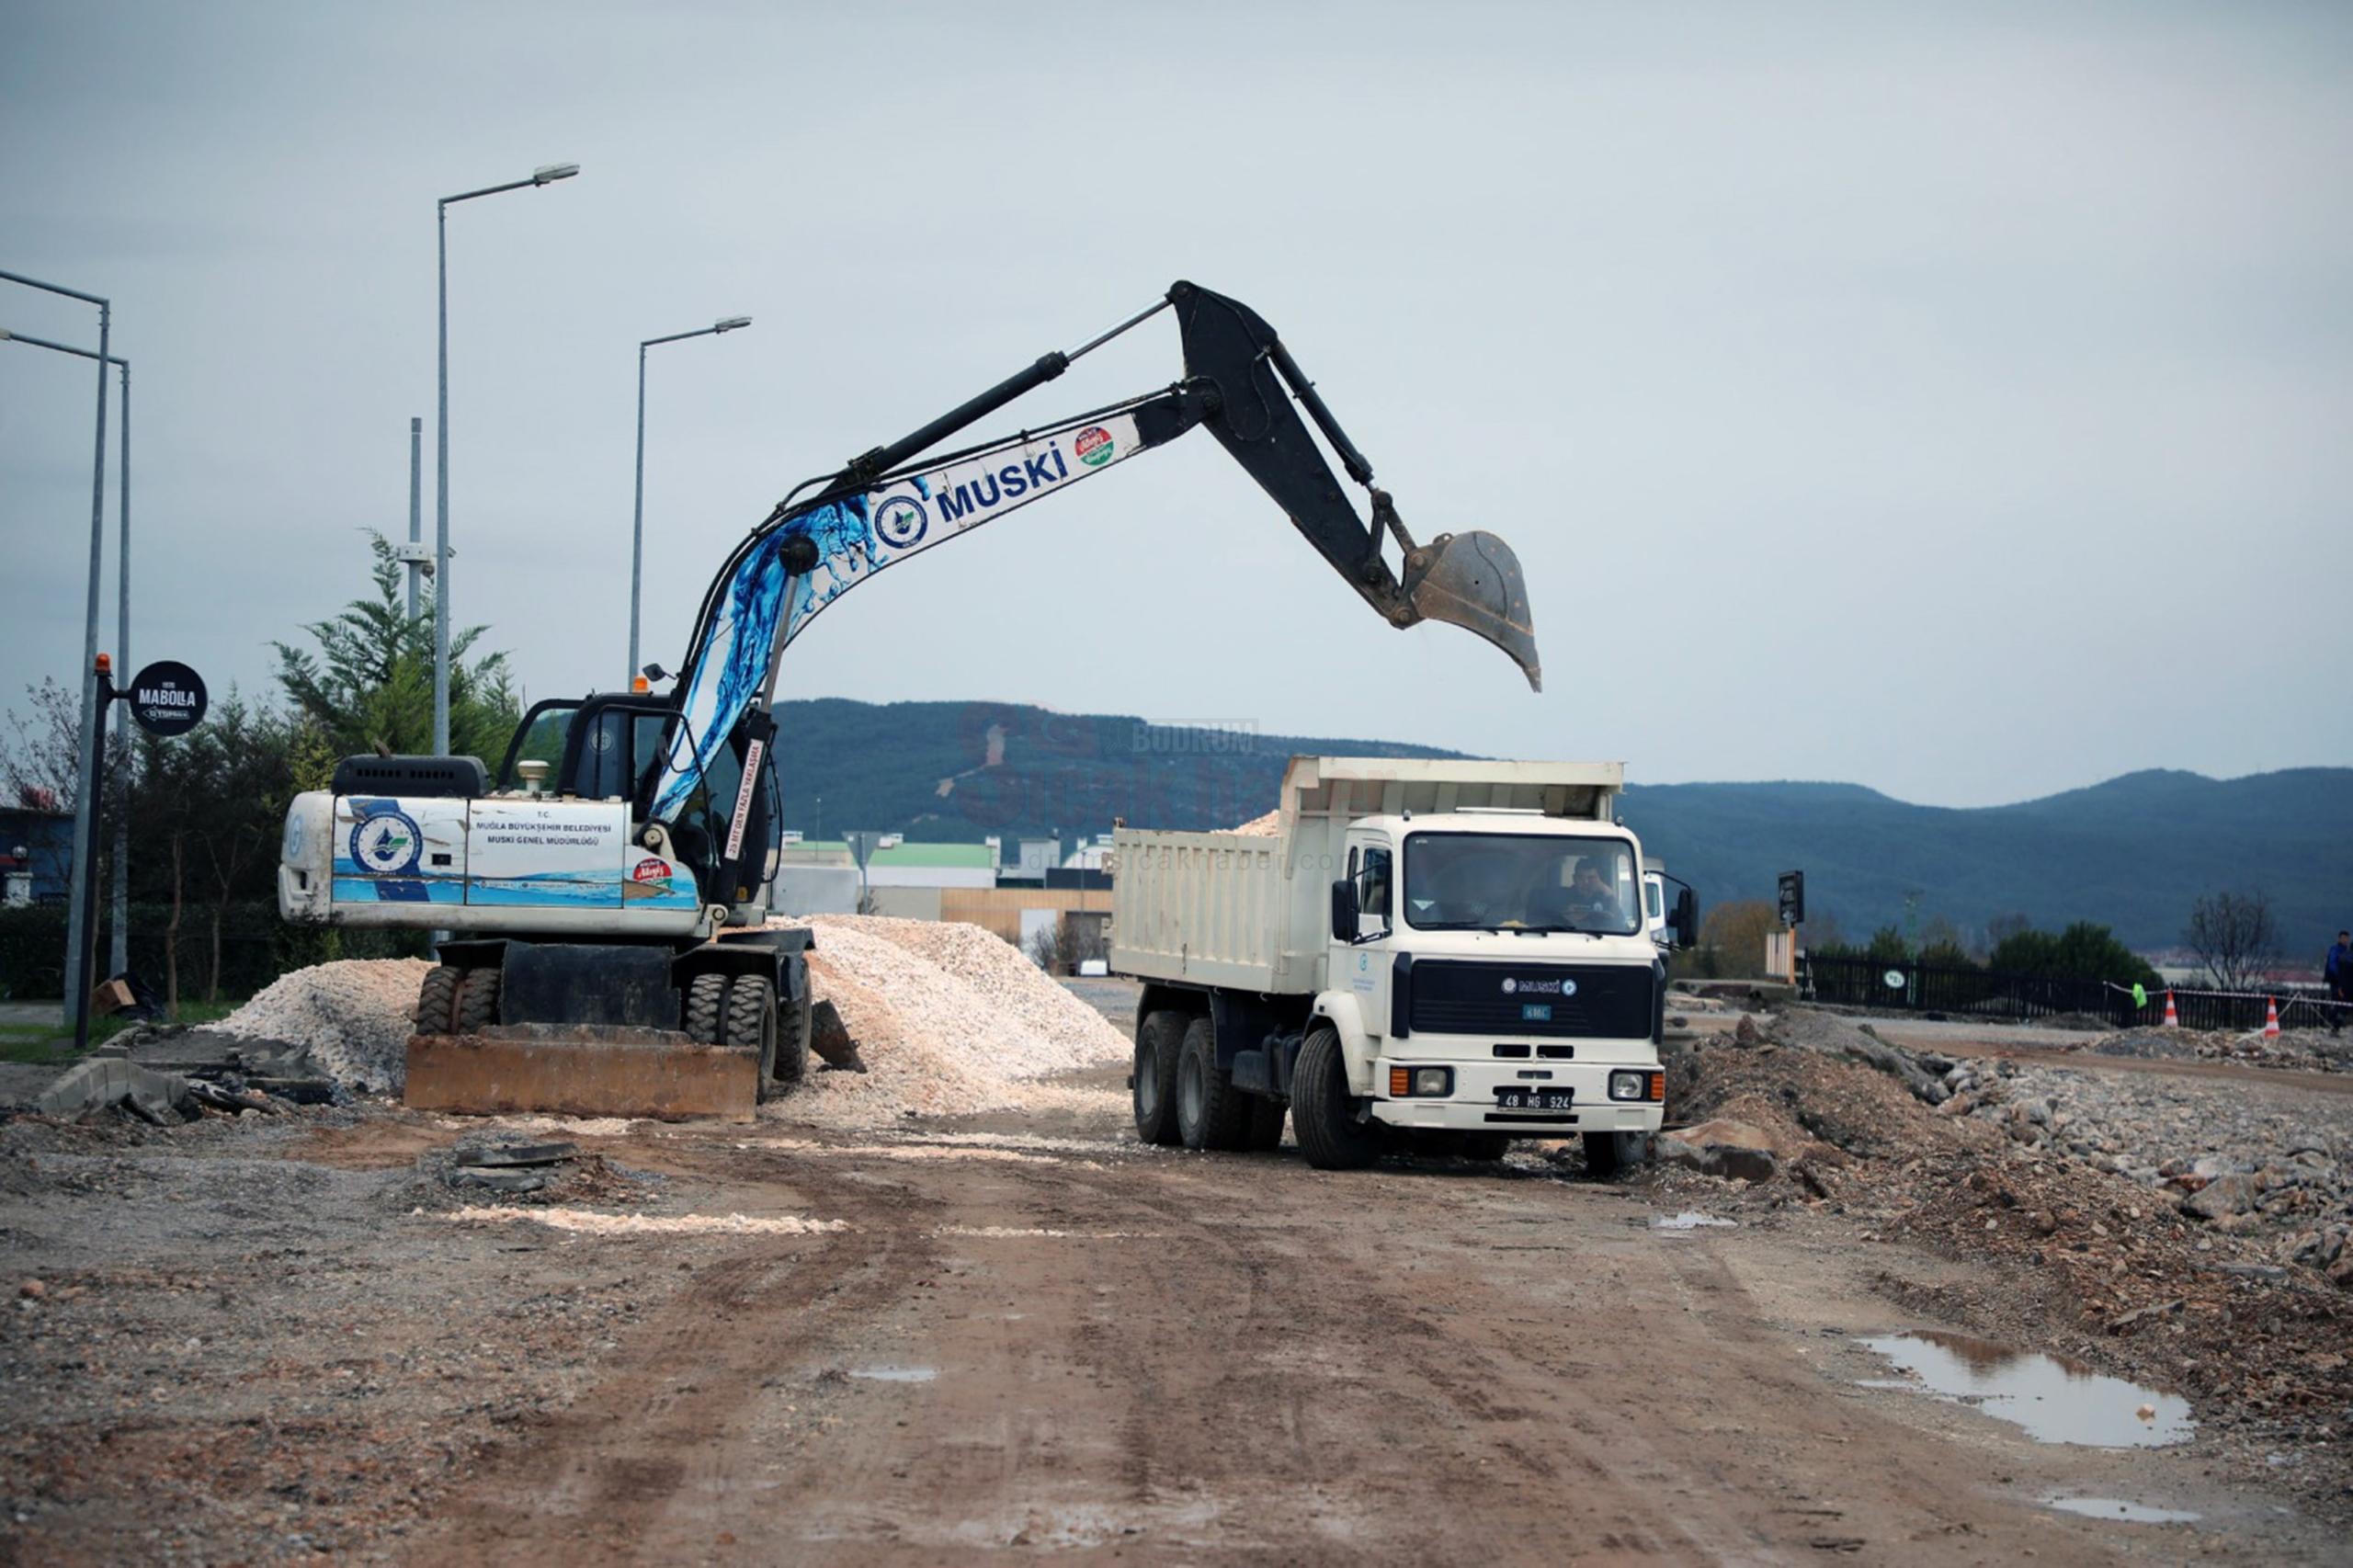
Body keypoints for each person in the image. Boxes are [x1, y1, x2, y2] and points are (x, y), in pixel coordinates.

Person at [2328, 929, 2352, 1034]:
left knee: (2342, 1007)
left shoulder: (2344, 955)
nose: (2345, 940)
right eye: (2344, 938)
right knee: (2342, 1006)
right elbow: (2333, 966)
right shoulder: (2336, 951)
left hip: (2343, 985)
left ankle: (2335, 1025)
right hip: (2340, 984)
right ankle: (2334, 1024)